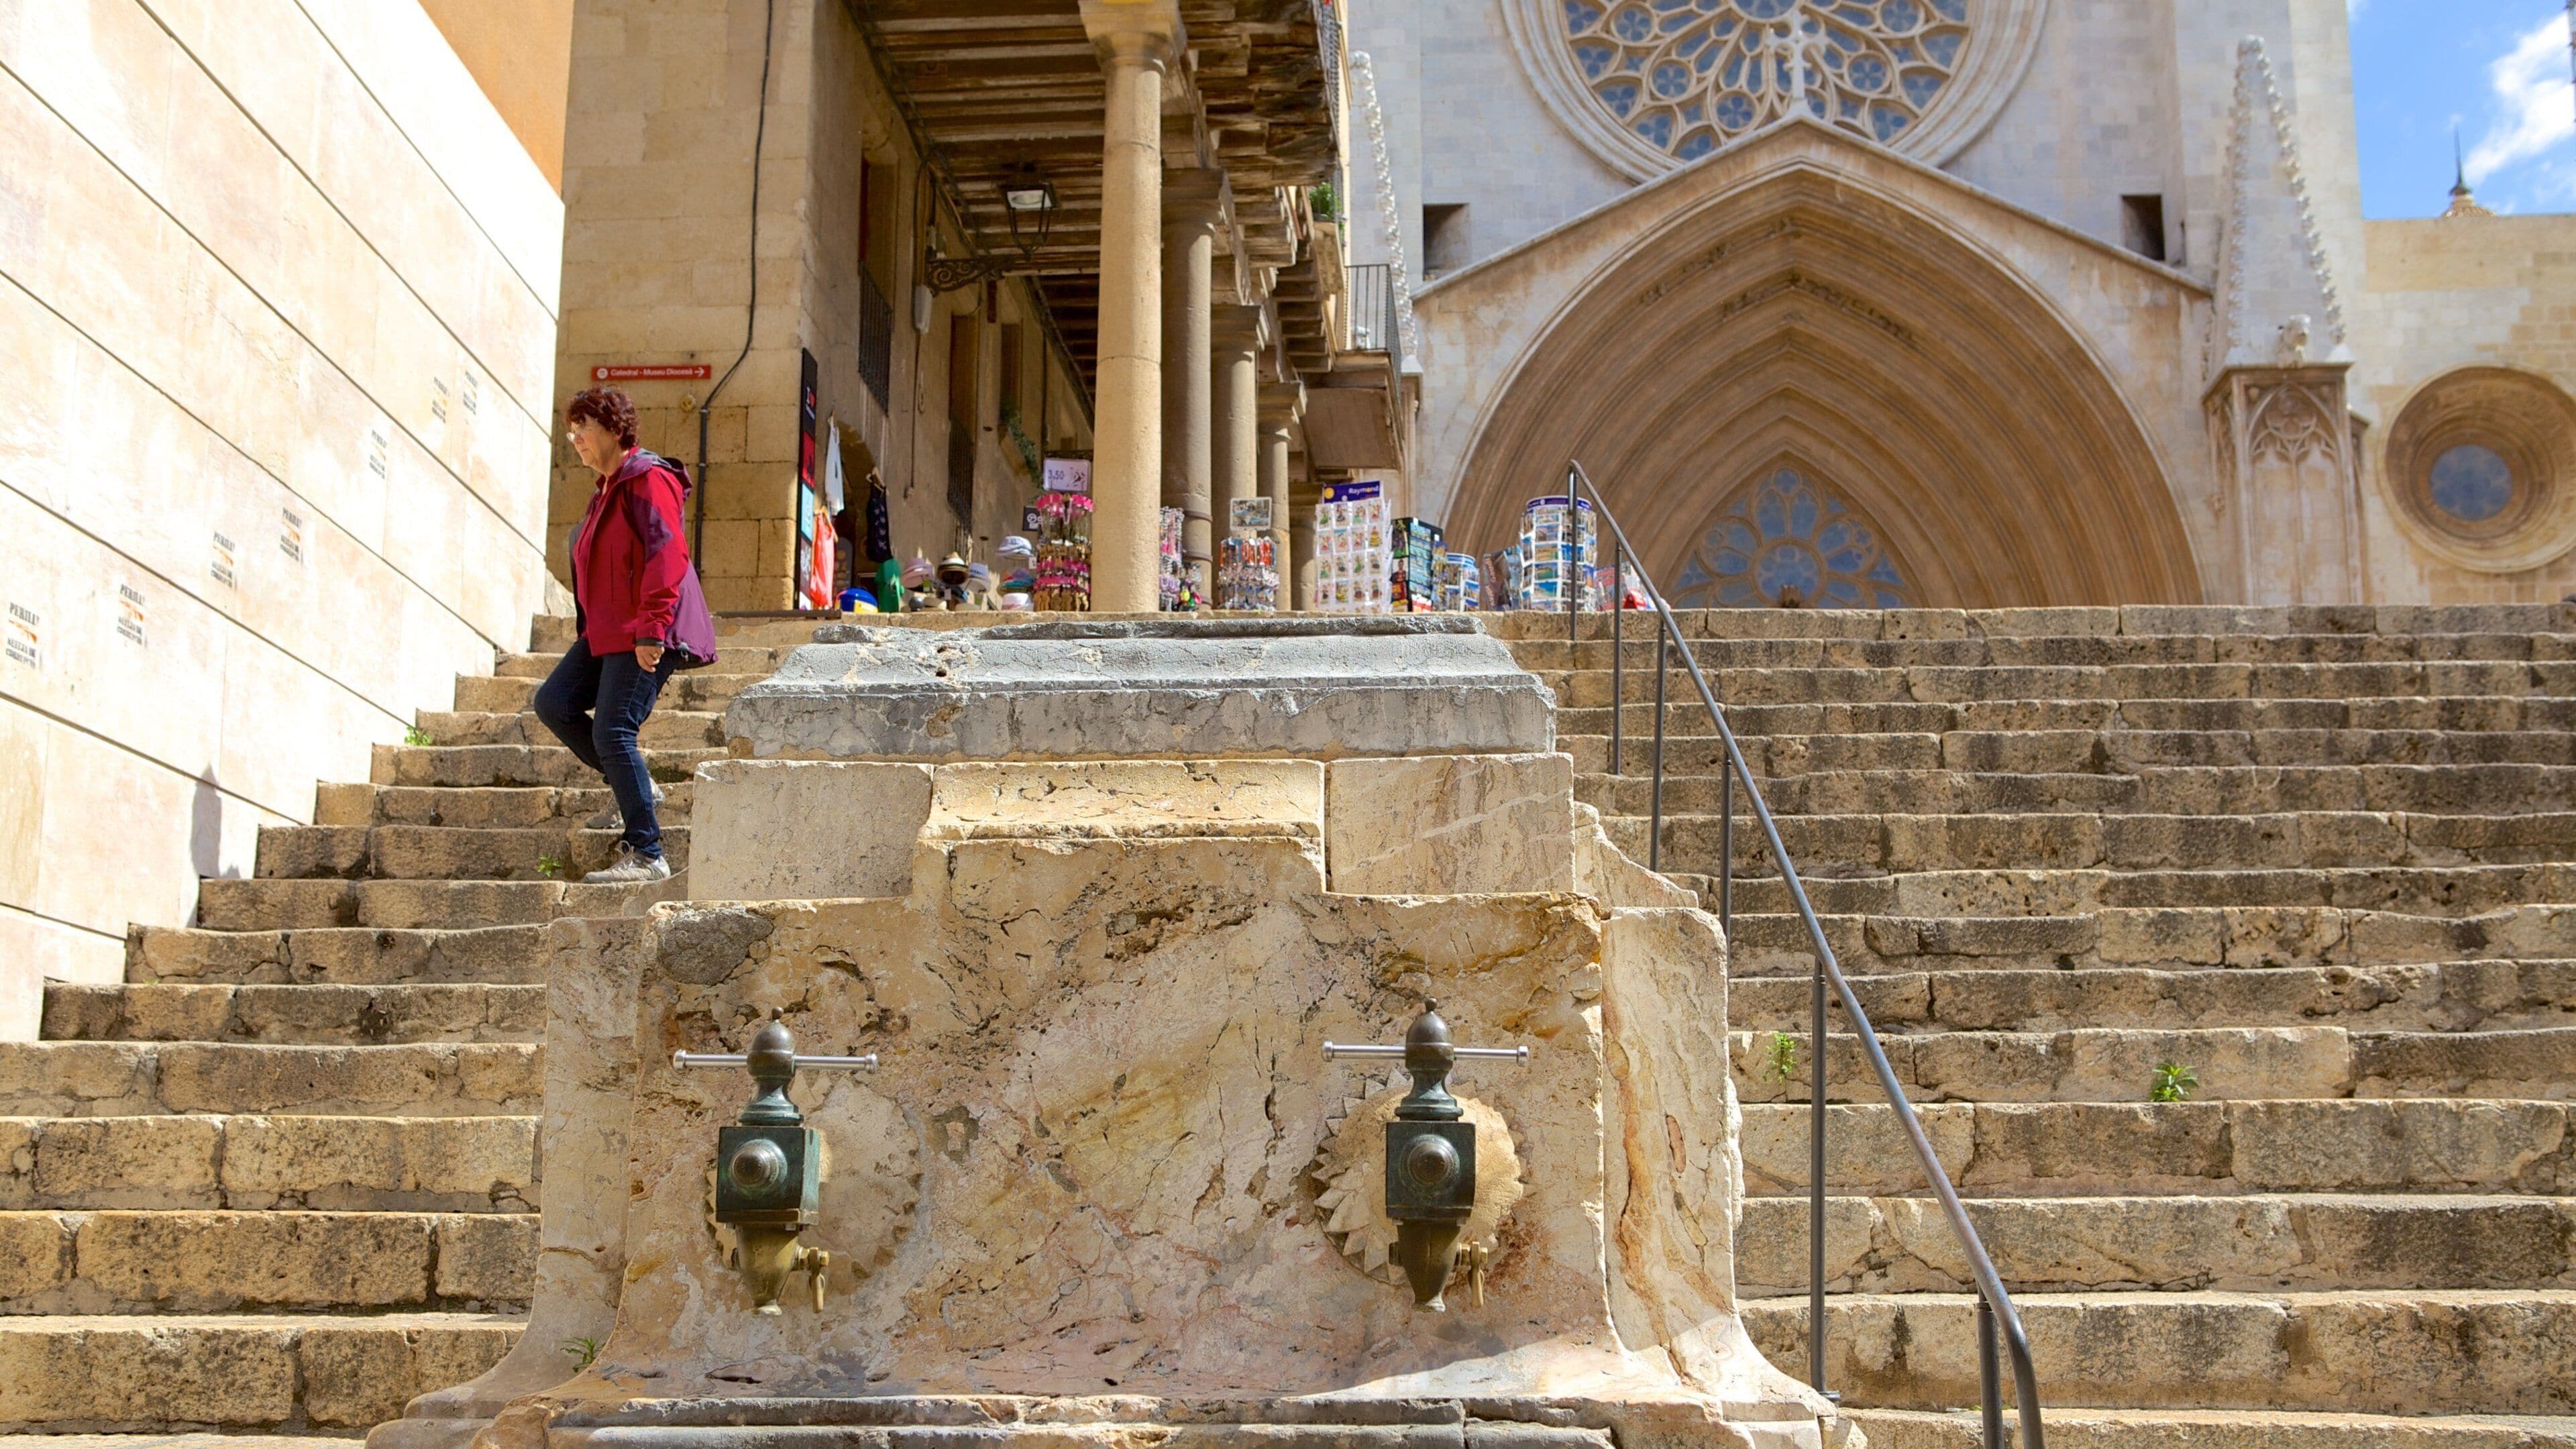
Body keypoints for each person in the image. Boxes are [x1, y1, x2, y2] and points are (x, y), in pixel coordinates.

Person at [535, 386, 718, 883]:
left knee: (613, 730)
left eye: (584, 428)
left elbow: (668, 555)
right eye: (570, 432)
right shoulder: (606, 490)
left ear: (616, 429)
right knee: (554, 703)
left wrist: (652, 630)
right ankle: (637, 789)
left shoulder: (647, 479)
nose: (575, 440)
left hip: (647, 627)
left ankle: (648, 852)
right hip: (607, 630)